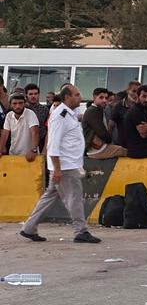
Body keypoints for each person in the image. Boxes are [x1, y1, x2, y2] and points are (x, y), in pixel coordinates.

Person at [20, 85, 101, 244]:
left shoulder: (70, 114)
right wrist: (57, 169)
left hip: (65, 165)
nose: (80, 97)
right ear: (67, 97)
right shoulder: (60, 116)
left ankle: (29, 228)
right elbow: (54, 144)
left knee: (49, 197)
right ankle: (81, 231)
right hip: (64, 166)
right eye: (76, 95)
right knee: (74, 197)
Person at [81, 88, 127, 160]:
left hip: (99, 147)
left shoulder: (98, 109)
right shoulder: (93, 111)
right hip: (97, 150)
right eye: (101, 97)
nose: (104, 100)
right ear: (94, 98)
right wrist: (109, 139)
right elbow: (102, 132)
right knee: (125, 152)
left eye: (106, 98)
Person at [0, 92, 39, 161]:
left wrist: (33, 150)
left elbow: (35, 132)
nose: (18, 106)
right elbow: (5, 134)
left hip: (29, 155)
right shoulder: (9, 115)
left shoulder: (30, 113)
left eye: (20, 103)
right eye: (14, 103)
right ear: (10, 105)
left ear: (25, 103)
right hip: (13, 155)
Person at [24, 83, 48, 151]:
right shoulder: (22, 109)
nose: (33, 96)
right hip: (24, 143)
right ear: (26, 95)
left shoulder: (45, 109)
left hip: (41, 143)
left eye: (35, 93)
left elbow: (47, 128)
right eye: (31, 94)